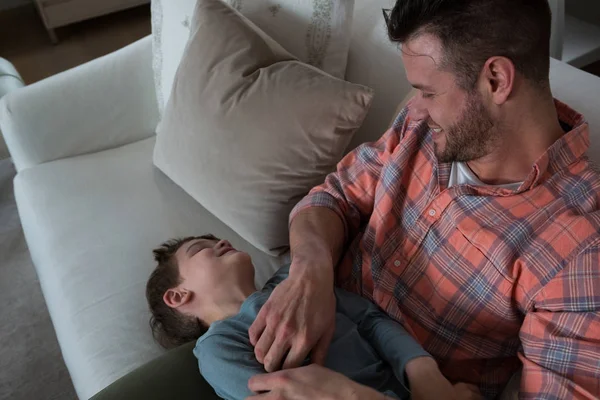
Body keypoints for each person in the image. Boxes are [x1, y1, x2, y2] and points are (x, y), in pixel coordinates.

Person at [245, 0, 600, 399]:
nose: (413, 108)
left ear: (497, 80)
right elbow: (334, 196)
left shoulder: (580, 250)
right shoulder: (421, 129)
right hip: (274, 345)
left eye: (428, 92)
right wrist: (310, 272)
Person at [145, 235, 482, 400]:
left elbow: (370, 320)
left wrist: (423, 373)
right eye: (200, 248)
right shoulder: (217, 346)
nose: (221, 240)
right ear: (178, 296)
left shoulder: (294, 278)